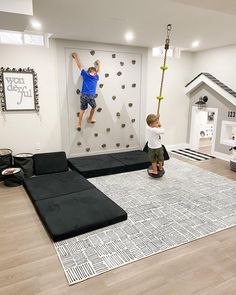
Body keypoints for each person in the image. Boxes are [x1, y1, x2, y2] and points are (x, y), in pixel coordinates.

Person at [72, 52, 100, 130]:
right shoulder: (96, 77)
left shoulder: (86, 74)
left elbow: (79, 66)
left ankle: (78, 124)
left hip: (83, 95)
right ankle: (90, 118)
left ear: (88, 72)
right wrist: (99, 64)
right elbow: (98, 71)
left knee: (82, 110)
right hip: (90, 96)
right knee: (94, 107)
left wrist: (75, 57)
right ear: (94, 72)